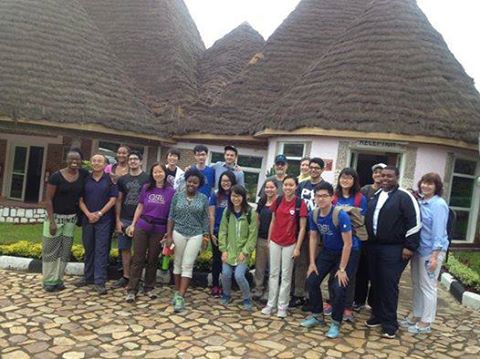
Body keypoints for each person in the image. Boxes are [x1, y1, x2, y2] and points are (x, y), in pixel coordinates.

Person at [365, 166, 421, 339]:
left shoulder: (405, 197)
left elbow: (415, 222)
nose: (385, 179)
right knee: (375, 281)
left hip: (395, 248)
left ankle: (390, 324)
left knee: (388, 284)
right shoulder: (376, 195)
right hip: (374, 246)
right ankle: (377, 315)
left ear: (397, 177)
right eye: (382, 176)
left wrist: (410, 246)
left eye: (389, 176)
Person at [301, 182, 359, 339]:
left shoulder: (340, 215)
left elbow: (348, 243)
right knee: (312, 280)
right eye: (318, 196)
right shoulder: (314, 214)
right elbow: (313, 237)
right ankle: (317, 315)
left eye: (324, 196)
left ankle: (336, 322)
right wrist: (312, 263)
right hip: (328, 251)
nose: (321, 199)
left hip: (347, 253)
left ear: (332, 197)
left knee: (338, 287)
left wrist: (341, 269)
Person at [400, 173, 449, 334]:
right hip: (419, 250)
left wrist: (435, 257)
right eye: (424, 183)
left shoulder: (438, 205)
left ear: (437, 187)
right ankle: (417, 314)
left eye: (430, 184)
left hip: (431, 252)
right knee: (416, 284)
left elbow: (439, 233)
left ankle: (426, 321)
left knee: (428, 286)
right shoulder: (421, 202)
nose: (426, 186)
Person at [125, 163, 175, 302]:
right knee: (138, 258)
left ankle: (149, 287)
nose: (157, 174)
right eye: (154, 172)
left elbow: (172, 213)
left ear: (165, 173)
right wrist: (133, 225)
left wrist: (168, 232)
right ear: (152, 174)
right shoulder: (147, 188)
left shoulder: (171, 192)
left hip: (159, 229)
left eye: (160, 172)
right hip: (143, 225)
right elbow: (140, 206)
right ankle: (132, 289)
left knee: (153, 259)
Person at [42, 148, 88, 292]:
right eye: (71, 159)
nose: (74, 162)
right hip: (55, 218)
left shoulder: (83, 175)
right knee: (51, 249)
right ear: (66, 160)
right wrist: (52, 222)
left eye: (77, 159)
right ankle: (49, 280)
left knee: (64, 251)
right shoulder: (56, 176)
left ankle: (59, 279)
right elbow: (48, 199)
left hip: (71, 219)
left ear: (81, 161)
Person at [324, 168, 367, 322]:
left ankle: (347, 307)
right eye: (343, 177)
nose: (345, 180)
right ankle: (332, 301)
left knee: (349, 275)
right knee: (333, 273)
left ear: (354, 180)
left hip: (353, 242)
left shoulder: (360, 198)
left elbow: (361, 219)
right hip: (335, 242)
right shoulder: (334, 197)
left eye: (349, 178)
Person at [261, 176, 307, 318]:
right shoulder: (278, 200)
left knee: (286, 276)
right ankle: (270, 304)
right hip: (275, 241)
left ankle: (282, 306)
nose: (288, 187)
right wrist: (269, 240)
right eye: (286, 185)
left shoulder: (300, 203)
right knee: (274, 274)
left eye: (291, 185)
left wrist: (298, 247)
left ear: (296, 186)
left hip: (290, 243)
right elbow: (273, 221)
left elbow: (303, 227)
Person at [165, 168, 210, 312]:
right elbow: (171, 216)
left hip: (195, 234)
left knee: (188, 265)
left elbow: (205, 218)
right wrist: (169, 235)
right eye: (190, 181)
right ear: (186, 181)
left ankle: (181, 296)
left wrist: (205, 236)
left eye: (195, 182)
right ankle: (178, 292)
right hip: (178, 232)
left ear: (199, 184)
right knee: (177, 263)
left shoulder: (203, 198)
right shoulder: (177, 196)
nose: (192, 184)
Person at [76, 154, 118, 295]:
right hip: (87, 219)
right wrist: (88, 214)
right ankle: (88, 277)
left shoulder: (110, 180)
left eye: (99, 161)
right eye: (94, 160)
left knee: (101, 250)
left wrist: (99, 214)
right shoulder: (85, 179)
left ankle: (99, 281)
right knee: (89, 248)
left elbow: (113, 200)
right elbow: (80, 200)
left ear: (105, 164)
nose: (96, 163)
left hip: (104, 220)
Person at [290, 157, 326, 308]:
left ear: (322, 169)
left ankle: (310, 295)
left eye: (317, 167)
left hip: (317, 231)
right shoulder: (302, 185)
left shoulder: (326, 186)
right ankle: (298, 294)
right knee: (300, 263)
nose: (314, 170)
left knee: (314, 263)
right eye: (312, 167)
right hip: (301, 229)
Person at [113, 151, 150, 289]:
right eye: (130, 159)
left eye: (136, 159)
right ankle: (126, 276)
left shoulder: (147, 178)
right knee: (125, 248)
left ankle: (137, 278)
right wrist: (117, 220)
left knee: (139, 250)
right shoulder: (123, 179)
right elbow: (118, 200)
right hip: (125, 218)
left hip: (142, 219)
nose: (133, 161)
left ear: (141, 161)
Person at [219, 185, 258, 310]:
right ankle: (226, 295)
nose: (235, 198)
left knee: (239, 276)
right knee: (225, 274)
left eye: (238, 196)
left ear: (244, 197)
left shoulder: (250, 213)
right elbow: (222, 231)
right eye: (233, 196)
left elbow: (253, 234)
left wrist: (246, 251)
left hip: (243, 252)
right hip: (229, 251)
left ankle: (247, 298)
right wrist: (223, 250)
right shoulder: (227, 212)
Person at [354, 163, 386, 311]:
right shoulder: (365, 190)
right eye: (376, 172)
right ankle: (359, 300)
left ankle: (373, 303)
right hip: (363, 236)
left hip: (380, 239)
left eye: (381, 172)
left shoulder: (388, 192)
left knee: (377, 272)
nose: (378, 175)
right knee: (362, 270)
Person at [209, 171, 237, 297]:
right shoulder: (216, 195)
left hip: (231, 232)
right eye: (223, 181)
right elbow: (211, 215)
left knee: (228, 260)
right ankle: (215, 285)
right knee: (217, 260)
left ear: (232, 182)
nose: (225, 183)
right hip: (217, 232)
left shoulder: (236, 195)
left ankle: (226, 286)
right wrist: (211, 232)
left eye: (228, 181)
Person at [252, 179, 278, 301]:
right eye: (267, 187)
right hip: (261, 238)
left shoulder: (279, 201)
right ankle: (258, 289)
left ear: (276, 188)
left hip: (274, 240)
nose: (269, 189)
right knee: (259, 266)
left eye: (271, 187)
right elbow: (257, 219)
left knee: (272, 267)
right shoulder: (262, 201)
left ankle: (269, 291)